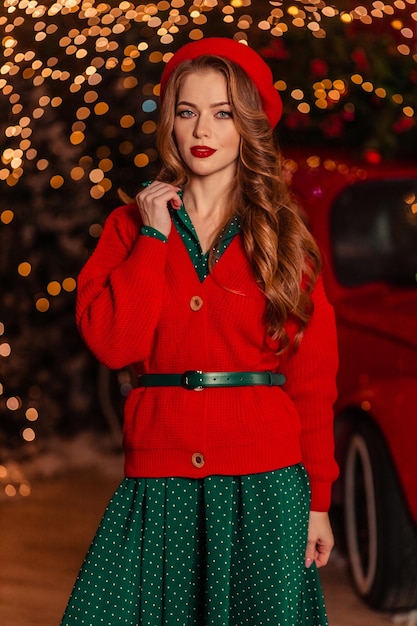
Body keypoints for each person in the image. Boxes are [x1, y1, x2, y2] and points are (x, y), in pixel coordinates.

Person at [61, 37, 339, 626]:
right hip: (158, 483)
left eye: (222, 113)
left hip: (265, 485)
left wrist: (318, 502)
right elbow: (115, 344)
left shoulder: (283, 236)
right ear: (170, 123)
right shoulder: (129, 226)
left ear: (249, 127)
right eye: (187, 112)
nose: (201, 129)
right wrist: (153, 240)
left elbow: (312, 382)